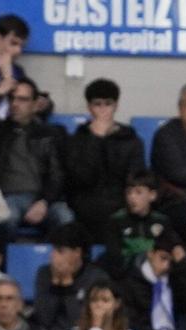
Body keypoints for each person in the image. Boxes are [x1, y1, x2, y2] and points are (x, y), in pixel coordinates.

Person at [0, 76, 69, 235]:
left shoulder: (51, 133)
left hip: (43, 197)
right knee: (6, 218)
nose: (15, 104)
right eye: (12, 99)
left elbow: (57, 173)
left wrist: (44, 202)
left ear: (36, 105)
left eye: (23, 100)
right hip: (9, 197)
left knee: (65, 218)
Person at [64, 78, 147, 241]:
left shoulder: (131, 139)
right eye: (97, 104)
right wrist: (96, 140)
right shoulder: (77, 140)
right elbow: (80, 179)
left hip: (120, 202)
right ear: (89, 107)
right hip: (85, 203)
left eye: (108, 104)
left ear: (116, 106)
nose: (103, 110)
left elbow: (135, 178)